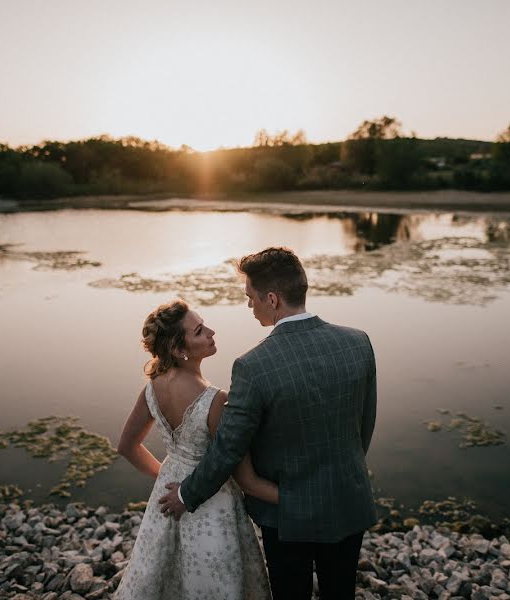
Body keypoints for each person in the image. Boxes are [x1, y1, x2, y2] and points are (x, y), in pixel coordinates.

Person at [159, 246, 378, 600]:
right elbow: (362, 429)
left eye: (251, 297)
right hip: (348, 499)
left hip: (287, 514)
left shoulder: (254, 366)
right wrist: (341, 474)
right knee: (342, 592)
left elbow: (229, 447)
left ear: (272, 299)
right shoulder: (358, 343)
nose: (249, 306)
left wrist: (187, 493)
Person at [113, 299, 274, 600]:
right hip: (212, 499)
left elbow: (127, 446)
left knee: (162, 573)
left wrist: (166, 474)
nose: (212, 332)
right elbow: (239, 473)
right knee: (214, 577)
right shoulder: (216, 401)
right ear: (178, 349)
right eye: (199, 331)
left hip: (168, 491)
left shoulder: (152, 387)